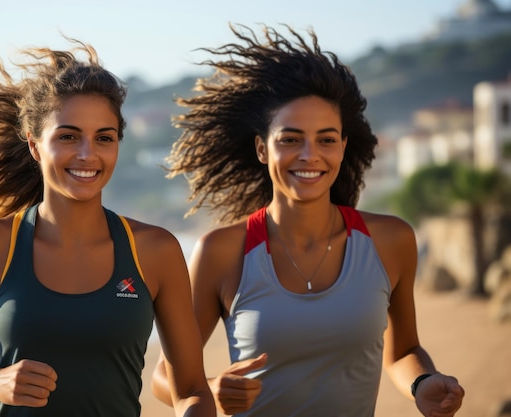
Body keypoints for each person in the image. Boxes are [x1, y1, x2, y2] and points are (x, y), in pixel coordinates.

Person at [152, 24, 465, 417]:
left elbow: (403, 352)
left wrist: (422, 382)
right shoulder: (222, 251)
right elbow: (165, 376)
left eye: (326, 139)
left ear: (343, 146)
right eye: (290, 139)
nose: (309, 155)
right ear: (262, 149)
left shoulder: (390, 240)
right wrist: (211, 390)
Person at [0, 37, 216, 417]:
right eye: (68, 136)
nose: (88, 154)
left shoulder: (154, 250)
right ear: (35, 145)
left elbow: (191, 389)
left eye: (103, 138)